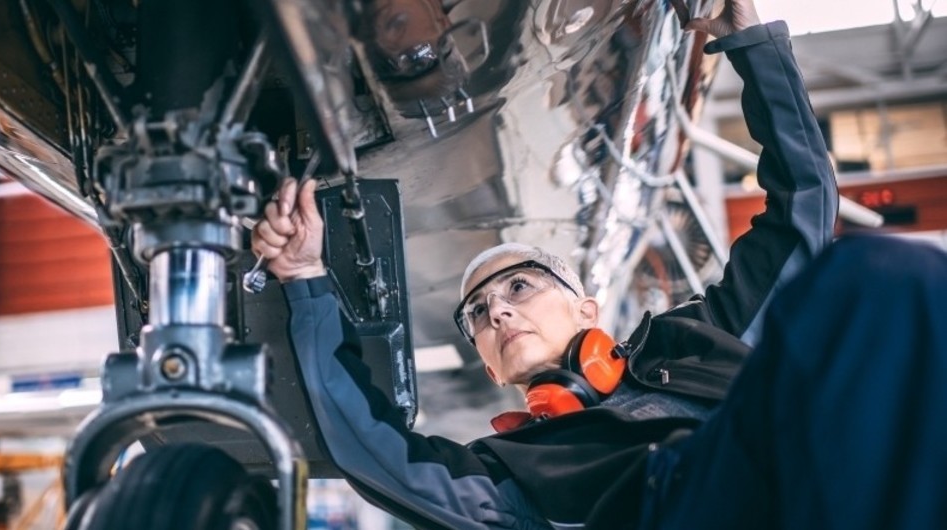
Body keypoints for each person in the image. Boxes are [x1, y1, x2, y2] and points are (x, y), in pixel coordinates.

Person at [252, 1, 947, 528]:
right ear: (490, 371)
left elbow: (804, 206)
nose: (497, 311)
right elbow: (367, 446)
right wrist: (305, 282)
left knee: (883, 276)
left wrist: (749, 38)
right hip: (668, 508)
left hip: (794, 474)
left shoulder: (702, 335)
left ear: (588, 307)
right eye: (479, 317)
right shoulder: (504, 477)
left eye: (519, 287)